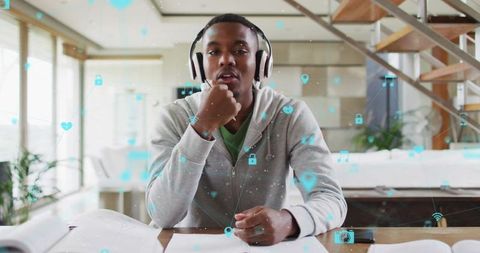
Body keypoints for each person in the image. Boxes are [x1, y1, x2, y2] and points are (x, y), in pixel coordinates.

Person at [146, 13, 347, 246]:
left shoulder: (291, 115)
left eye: (240, 51)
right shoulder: (174, 117)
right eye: (213, 52)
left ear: (261, 63)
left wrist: (289, 220)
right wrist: (202, 126)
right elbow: (161, 214)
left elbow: (331, 200)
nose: (226, 60)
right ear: (199, 65)